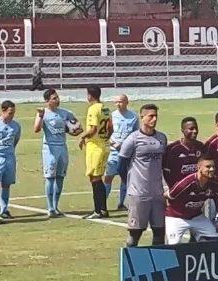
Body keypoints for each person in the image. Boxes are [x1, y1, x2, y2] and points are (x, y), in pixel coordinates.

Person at [119, 103, 169, 246]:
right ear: (142, 117)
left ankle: (158, 266)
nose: (154, 119)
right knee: (135, 234)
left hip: (158, 194)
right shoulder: (133, 139)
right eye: (150, 116)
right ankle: (129, 264)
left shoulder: (161, 138)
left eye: (155, 116)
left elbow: (164, 164)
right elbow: (121, 165)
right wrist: (128, 183)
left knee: (159, 233)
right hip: (139, 194)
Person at [33, 88, 80, 218]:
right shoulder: (43, 113)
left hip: (62, 147)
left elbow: (77, 127)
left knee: (60, 177)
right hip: (49, 148)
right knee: (50, 177)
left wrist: (74, 129)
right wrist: (41, 116)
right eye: (54, 98)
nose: (57, 100)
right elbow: (36, 129)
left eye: (57, 97)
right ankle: (50, 207)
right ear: (47, 101)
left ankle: (56, 205)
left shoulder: (65, 113)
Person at [163, 157, 218, 244]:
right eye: (208, 167)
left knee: (215, 240)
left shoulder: (214, 183)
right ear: (199, 168)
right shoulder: (185, 183)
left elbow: (217, 198)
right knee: (174, 244)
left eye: (213, 166)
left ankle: (199, 241)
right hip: (176, 217)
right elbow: (167, 196)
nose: (212, 169)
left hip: (196, 216)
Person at [79, 85, 113, 220]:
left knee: (95, 178)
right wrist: (106, 138)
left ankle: (98, 210)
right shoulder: (105, 108)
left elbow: (93, 129)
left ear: (89, 95)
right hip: (103, 145)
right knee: (96, 178)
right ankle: (103, 209)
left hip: (95, 147)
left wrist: (83, 137)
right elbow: (111, 127)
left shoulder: (93, 109)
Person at [163, 117, 204, 221]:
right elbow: (166, 172)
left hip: (197, 195)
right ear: (183, 130)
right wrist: (175, 189)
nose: (194, 131)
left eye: (196, 128)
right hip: (179, 194)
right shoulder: (172, 149)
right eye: (191, 129)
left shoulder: (201, 147)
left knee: (197, 219)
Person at [104, 95, 139, 212]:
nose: (118, 104)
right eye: (116, 102)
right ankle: (103, 203)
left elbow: (136, 134)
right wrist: (113, 144)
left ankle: (121, 203)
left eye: (120, 102)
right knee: (108, 177)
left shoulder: (133, 117)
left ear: (126, 102)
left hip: (127, 153)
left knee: (125, 178)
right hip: (113, 152)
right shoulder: (111, 116)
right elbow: (106, 134)